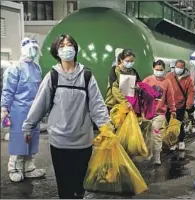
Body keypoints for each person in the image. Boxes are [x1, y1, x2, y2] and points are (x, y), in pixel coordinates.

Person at [22, 34, 111, 199]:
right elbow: (39, 104)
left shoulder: (86, 76)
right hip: (59, 142)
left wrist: (107, 128)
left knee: (79, 187)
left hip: (83, 142)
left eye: (69, 44)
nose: (66, 48)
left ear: (75, 49)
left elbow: (97, 105)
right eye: (62, 45)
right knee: (64, 187)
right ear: (57, 51)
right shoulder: (52, 76)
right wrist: (28, 126)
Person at [1, 37, 45, 182]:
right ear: (24, 49)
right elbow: (8, 90)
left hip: (34, 111)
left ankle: (28, 167)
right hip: (18, 111)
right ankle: (14, 167)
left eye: (35, 49)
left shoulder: (37, 68)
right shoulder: (15, 68)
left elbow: (40, 90)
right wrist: (4, 108)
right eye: (30, 48)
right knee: (20, 139)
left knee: (32, 139)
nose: (33, 51)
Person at [143, 60, 176, 164]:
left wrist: (172, 109)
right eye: (157, 69)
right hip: (147, 114)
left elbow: (170, 97)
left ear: (164, 70)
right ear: (153, 68)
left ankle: (157, 156)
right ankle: (149, 153)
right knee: (148, 135)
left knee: (157, 134)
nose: (159, 72)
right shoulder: (147, 80)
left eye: (161, 70)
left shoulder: (167, 82)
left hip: (159, 115)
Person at [165, 60, 195, 150]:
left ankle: (181, 140)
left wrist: (189, 103)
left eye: (181, 67)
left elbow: (191, 92)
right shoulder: (169, 76)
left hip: (180, 105)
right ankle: (172, 142)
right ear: (175, 66)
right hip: (169, 105)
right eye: (178, 66)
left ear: (184, 68)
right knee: (169, 124)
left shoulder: (188, 79)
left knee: (178, 123)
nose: (179, 69)